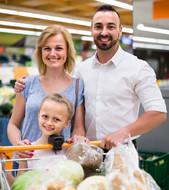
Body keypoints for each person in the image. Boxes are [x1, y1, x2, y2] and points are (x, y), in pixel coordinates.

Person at [14, 5, 167, 151]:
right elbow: (63, 96)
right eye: (98, 26)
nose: (104, 32)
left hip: (122, 150)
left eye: (111, 27)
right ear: (92, 30)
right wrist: (24, 85)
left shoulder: (138, 68)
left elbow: (158, 113)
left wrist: (123, 132)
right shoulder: (82, 69)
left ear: (120, 31)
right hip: (87, 150)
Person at [8, 24, 87, 174]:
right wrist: (18, 145)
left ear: (67, 51)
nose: (53, 53)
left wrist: (77, 140)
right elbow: (13, 124)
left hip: (60, 164)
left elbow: (78, 127)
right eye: (47, 48)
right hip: (26, 162)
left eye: (58, 48)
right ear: (40, 52)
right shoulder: (26, 84)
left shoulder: (78, 86)